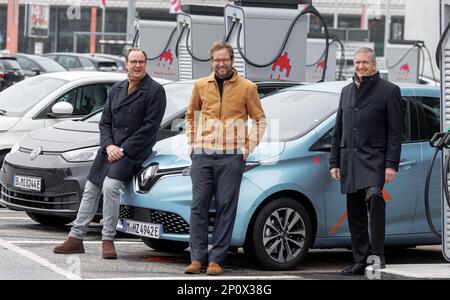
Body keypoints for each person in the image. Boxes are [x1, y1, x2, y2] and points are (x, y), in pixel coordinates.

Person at [53, 48, 167, 259]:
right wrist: (108, 146)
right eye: (133, 61)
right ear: (126, 64)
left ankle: (108, 239)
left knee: (110, 187)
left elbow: (150, 128)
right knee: (90, 189)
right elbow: (105, 122)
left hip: (133, 152)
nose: (137, 65)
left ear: (146, 64)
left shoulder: (155, 90)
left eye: (141, 61)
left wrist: (123, 149)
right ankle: (75, 238)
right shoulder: (117, 88)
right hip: (110, 149)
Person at [184, 41, 266, 275]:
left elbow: (260, 120)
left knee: (225, 208)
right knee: (198, 206)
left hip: (231, 156)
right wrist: (192, 142)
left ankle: (216, 260)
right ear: (212, 62)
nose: (221, 63)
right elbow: (191, 116)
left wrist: (247, 147)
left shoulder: (247, 87)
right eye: (217, 60)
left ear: (232, 61)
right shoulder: (200, 85)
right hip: (203, 155)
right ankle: (197, 258)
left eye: (225, 59)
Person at [329, 47, 403, 276]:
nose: (360, 66)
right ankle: (360, 259)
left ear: (374, 65)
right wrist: (334, 162)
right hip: (350, 159)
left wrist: (391, 164)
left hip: (375, 160)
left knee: (374, 196)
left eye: (364, 62)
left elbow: (395, 132)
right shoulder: (346, 91)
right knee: (355, 212)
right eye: (357, 62)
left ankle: (377, 255)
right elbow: (338, 129)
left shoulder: (389, 91)